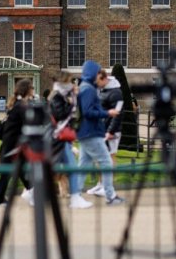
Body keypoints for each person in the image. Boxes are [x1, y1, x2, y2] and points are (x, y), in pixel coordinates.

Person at [78, 61, 124, 205]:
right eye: (98, 72)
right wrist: (107, 113)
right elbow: (87, 111)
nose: (100, 75)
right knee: (106, 162)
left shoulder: (87, 87)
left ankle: (75, 195)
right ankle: (110, 196)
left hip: (87, 132)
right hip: (91, 132)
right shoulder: (89, 89)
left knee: (83, 166)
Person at [48, 74, 92, 210]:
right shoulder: (56, 98)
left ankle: (74, 197)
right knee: (70, 167)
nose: (72, 85)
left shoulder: (61, 97)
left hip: (62, 138)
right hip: (59, 138)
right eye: (69, 82)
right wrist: (72, 102)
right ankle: (75, 198)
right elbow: (61, 115)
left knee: (64, 167)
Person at [0, 79, 34, 206]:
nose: (33, 89)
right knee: (8, 173)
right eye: (31, 87)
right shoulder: (21, 106)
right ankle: (30, 193)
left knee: (20, 170)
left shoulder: (18, 105)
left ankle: (31, 192)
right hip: (11, 146)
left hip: (12, 145)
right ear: (27, 90)